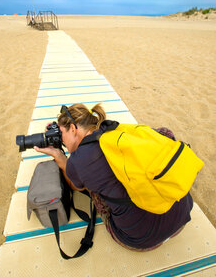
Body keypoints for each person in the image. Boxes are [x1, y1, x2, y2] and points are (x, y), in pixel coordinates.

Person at [34, 103, 193, 251]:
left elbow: (77, 186)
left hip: (142, 239)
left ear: (73, 128)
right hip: (181, 219)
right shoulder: (116, 130)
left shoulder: (79, 162)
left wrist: (59, 156)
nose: (61, 139)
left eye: (61, 133)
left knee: (94, 188)